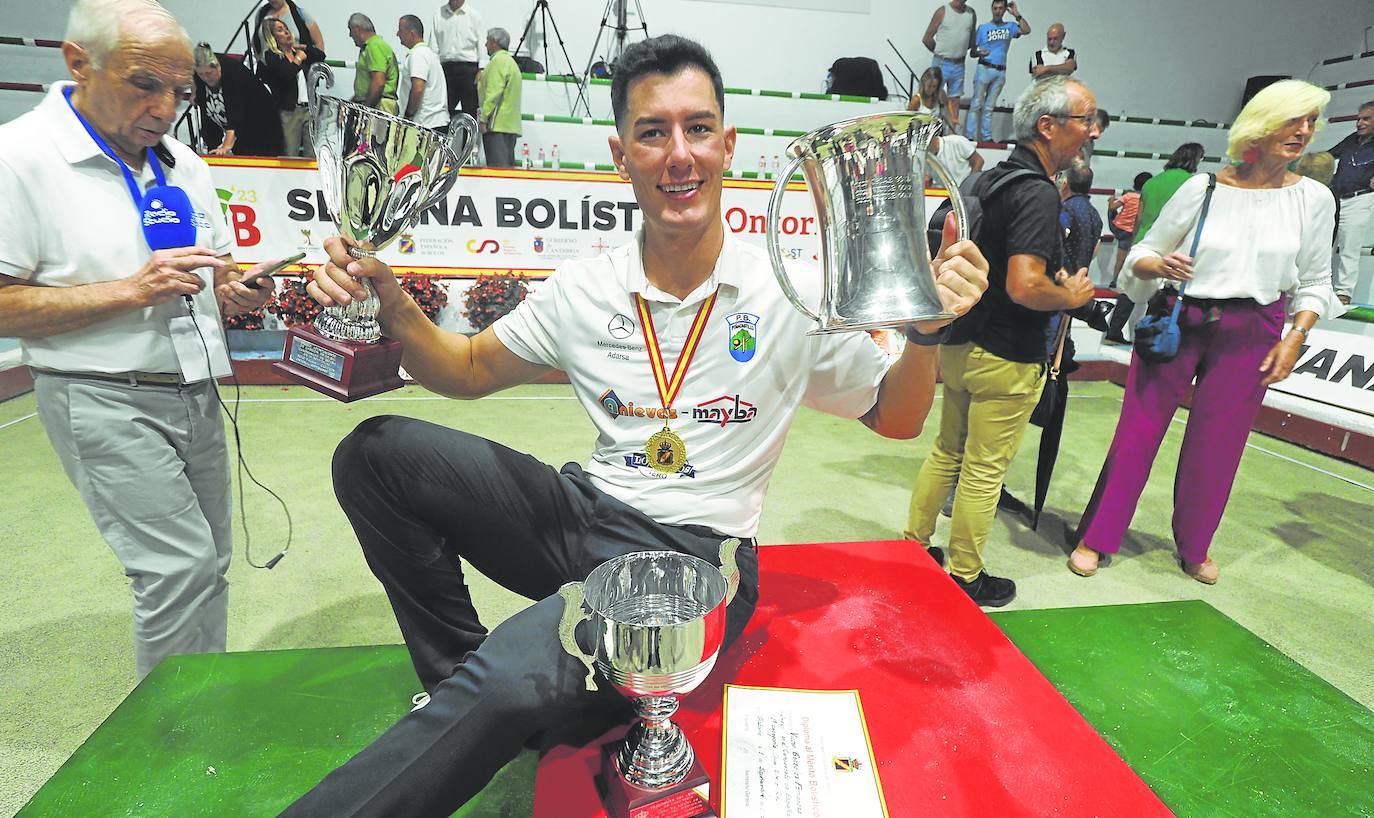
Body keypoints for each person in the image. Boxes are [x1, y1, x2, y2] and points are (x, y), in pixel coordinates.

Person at [278, 33, 988, 816]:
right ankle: (464, 684)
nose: (678, 154)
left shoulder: (790, 292)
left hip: (696, 554)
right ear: (621, 154)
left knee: (519, 675)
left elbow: (897, 415)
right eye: (653, 132)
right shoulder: (586, 287)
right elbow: (469, 369)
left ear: (728, 146)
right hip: (584, 513)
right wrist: (393, 299)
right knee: (378, 454)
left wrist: (928, 331)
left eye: (697, 128)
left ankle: (502, 698)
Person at [0, 0, 280, 679]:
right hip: (98, 394)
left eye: (181, 92)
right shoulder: (18, 158)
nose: (165, 107)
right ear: (78, 64)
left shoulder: (185, 162)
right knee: (175, 568)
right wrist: (131, 290)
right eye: (144, 84)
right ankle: (172, 739)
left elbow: (214, 268)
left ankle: (200, 700)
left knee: (207, 564)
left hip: (196, 386)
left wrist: (237, 289)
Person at [1069, 80, 1339, 584]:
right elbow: (1144, 254)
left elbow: (1317, 280)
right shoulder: (1203, 188)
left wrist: (1294, 338)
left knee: (1220, 444)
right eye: (1292, 119)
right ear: (1260, 125)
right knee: (1138, 431)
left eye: (1310, 121)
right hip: (1180, 318)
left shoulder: (1314, 199)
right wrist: (1158, 265)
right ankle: (1099, 536)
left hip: (1257, 327)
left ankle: (1195, 544)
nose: (1303, 131)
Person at [904, 75, 1098, 607]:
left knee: (947, 453)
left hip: (960, 345)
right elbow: (1025, 284)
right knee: (984, 470)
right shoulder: (1036, 192)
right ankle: (965, 574)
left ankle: (914, 549)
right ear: (1048, 126)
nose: (1092, 132)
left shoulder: (987, 180)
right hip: (1007, 355)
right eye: (1085, 120)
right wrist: (1072, 296)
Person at [1102, 142, 1205, 344]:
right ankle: (1150, 334)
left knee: (1130, 289)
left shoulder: (1151, 182)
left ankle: (1113, 329)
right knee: (1159, 295)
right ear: (1194, 159)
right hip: (1168, 244)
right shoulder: (1192, 184)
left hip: (1142, 240)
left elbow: (1139, 218)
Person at [191, 43, 283, 157]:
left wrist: (226, 146)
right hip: (241, 131)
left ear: (218, 67)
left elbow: (235, 112)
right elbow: (207, 119)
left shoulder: (232, 72)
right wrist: (213, 150)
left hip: (262, 124)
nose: (205, 77)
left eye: (209, 73)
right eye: (201, 74)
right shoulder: (199, 77)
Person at [1326, 100, 1374, 307]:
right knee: (1323, 245)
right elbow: (1327, 156)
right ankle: (1317, 289)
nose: (1360, 123)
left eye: (1366, 119)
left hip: (1360, 199)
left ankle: (1343, 294)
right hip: (1334, 199)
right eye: (1358, 119)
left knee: (1349, 248)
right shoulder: (1352, 140)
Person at [257, 16, 325, 158]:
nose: (286, 32)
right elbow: (287, 74)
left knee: (312, 153)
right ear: (272, 36)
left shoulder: (297, 52)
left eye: (286, 28)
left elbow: (320, 55)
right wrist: (298, 58)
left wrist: (303, 48)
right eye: (280, 30)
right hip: (289, 111)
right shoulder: (272, 57)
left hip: (309, 109)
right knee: (290, 151)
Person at [965, 0, 1029, 143]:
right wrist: (978, 53)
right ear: (991, 9)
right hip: (984, 68)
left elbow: (1026, 30)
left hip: (1000, 71)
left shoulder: (1010, 27)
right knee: (976, 104)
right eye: (995, 8)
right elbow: (972, 52)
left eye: (1001, 8)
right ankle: (970, 136)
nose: (998, 11)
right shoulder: (983, 28)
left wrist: (1016, 15)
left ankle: (986, 137)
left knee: (989, 107)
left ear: (1004, 10)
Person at [922, 0, 977, 131]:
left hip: (959, 64)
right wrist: (940, 52)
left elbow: (971, 40)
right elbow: (927, 38)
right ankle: (928, 132)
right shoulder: (943, 11)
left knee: (955, 100)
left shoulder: (971, 13)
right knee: (932, 96)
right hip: (941, 62)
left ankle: (952, 135)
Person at [432, 0, 484, 121]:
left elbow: (481, 43)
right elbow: (433, 44)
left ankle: (469, 139)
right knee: (442, 109)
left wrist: (481, 69)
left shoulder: (474, 15)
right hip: (445, 67)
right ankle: (442, 139)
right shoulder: (438, 14)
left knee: (470, 110)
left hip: (469, 68)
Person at [397, 15, 450, 131]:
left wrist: (408, 115)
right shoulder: (429, 54)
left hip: (424, 123)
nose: (397, 34)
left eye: (400, 31)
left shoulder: (418, 55)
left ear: (412, 33)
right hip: (436, 122)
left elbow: (418, 87)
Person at [478, 27, 521, 168]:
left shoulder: (497, 62)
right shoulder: (511, 63)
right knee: (507, 171)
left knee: (498, 170)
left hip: (497, 125)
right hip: (510, 125)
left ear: (494, 42)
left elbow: (493, 92)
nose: (485, 45)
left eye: (487, 41)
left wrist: (484, 118)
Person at [347, 13, 399, 114]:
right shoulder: (371, 46)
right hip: (375, 103)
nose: (350, 35)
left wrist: (366, 110)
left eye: (350, 30)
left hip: (379, 105)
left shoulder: (374, 46)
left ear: (357, 29)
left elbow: (378, 81)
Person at [1107, 172, 1151, 284]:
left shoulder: (1128, 196)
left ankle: (1114, 280)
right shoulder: (1146, 200)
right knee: (1123, 259)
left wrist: (1111, 200)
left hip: (1117, 228)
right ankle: (1121, 281)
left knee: (1112, 211)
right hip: (1130, 232)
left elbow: (1113, 207)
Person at [250, 0, 323, 63]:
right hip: (267, 72)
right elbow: (255, 41)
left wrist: (317, 69)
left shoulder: (300, 13)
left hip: (296, 70)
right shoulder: (261, 14)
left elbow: (318, 42)